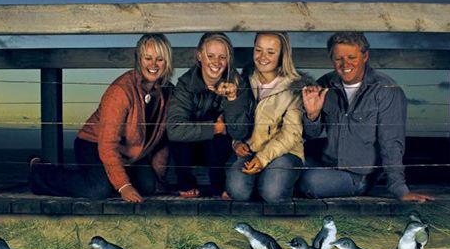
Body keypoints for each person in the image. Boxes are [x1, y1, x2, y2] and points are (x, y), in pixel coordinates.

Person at [29, 33, 174, 202]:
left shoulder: (168, 92)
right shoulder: (120, 91)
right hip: (94, 144)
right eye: (148, 58)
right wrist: (124, 186)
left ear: (167, 61)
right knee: (99, 190)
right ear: (139, 59)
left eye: (160, 59)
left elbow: (162, 141)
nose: (153, 65)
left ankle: (111, 176)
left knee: (149, 186)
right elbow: (107, 144)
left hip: (129, 153)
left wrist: (159, 178)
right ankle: (40, 172)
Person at [298, 32, 433, 202]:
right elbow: (311, 134)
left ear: (365, 56)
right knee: (287, 166)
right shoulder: (325, 84)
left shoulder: (386, 90)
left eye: (351, 57)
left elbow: (391, 143)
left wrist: (400, 190)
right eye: (338, 58)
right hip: (326, 166)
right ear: (331, 58)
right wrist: (312, 115)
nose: (345, 64)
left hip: (359, 177)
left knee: (310, 181)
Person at [225, 32, 313, 203]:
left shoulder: (295, 87)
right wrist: (235, 142)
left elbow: (291, 133)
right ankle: (261, 182)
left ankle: (279, 181)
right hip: (250, 150)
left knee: (272, 192)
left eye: (270, 52)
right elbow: (232, 117)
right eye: (258, 50)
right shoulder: (243, 81)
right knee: (238, 192)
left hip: (286, 152)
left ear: (282, 55)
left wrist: (263, 158)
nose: (262, 57)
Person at [166, 32, 248, 198]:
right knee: (187, 132)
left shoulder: (238, 83)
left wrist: (231, 99)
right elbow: (174, 129)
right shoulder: (185, 84)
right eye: (210, 56)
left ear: (229, 59)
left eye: (222, 57)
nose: (216, 62)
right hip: (191, 149)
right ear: (199, 56)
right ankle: (185, 183)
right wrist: (214, 127)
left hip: (220, 152)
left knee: (216, 135)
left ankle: (219, 186)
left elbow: (240, 132)